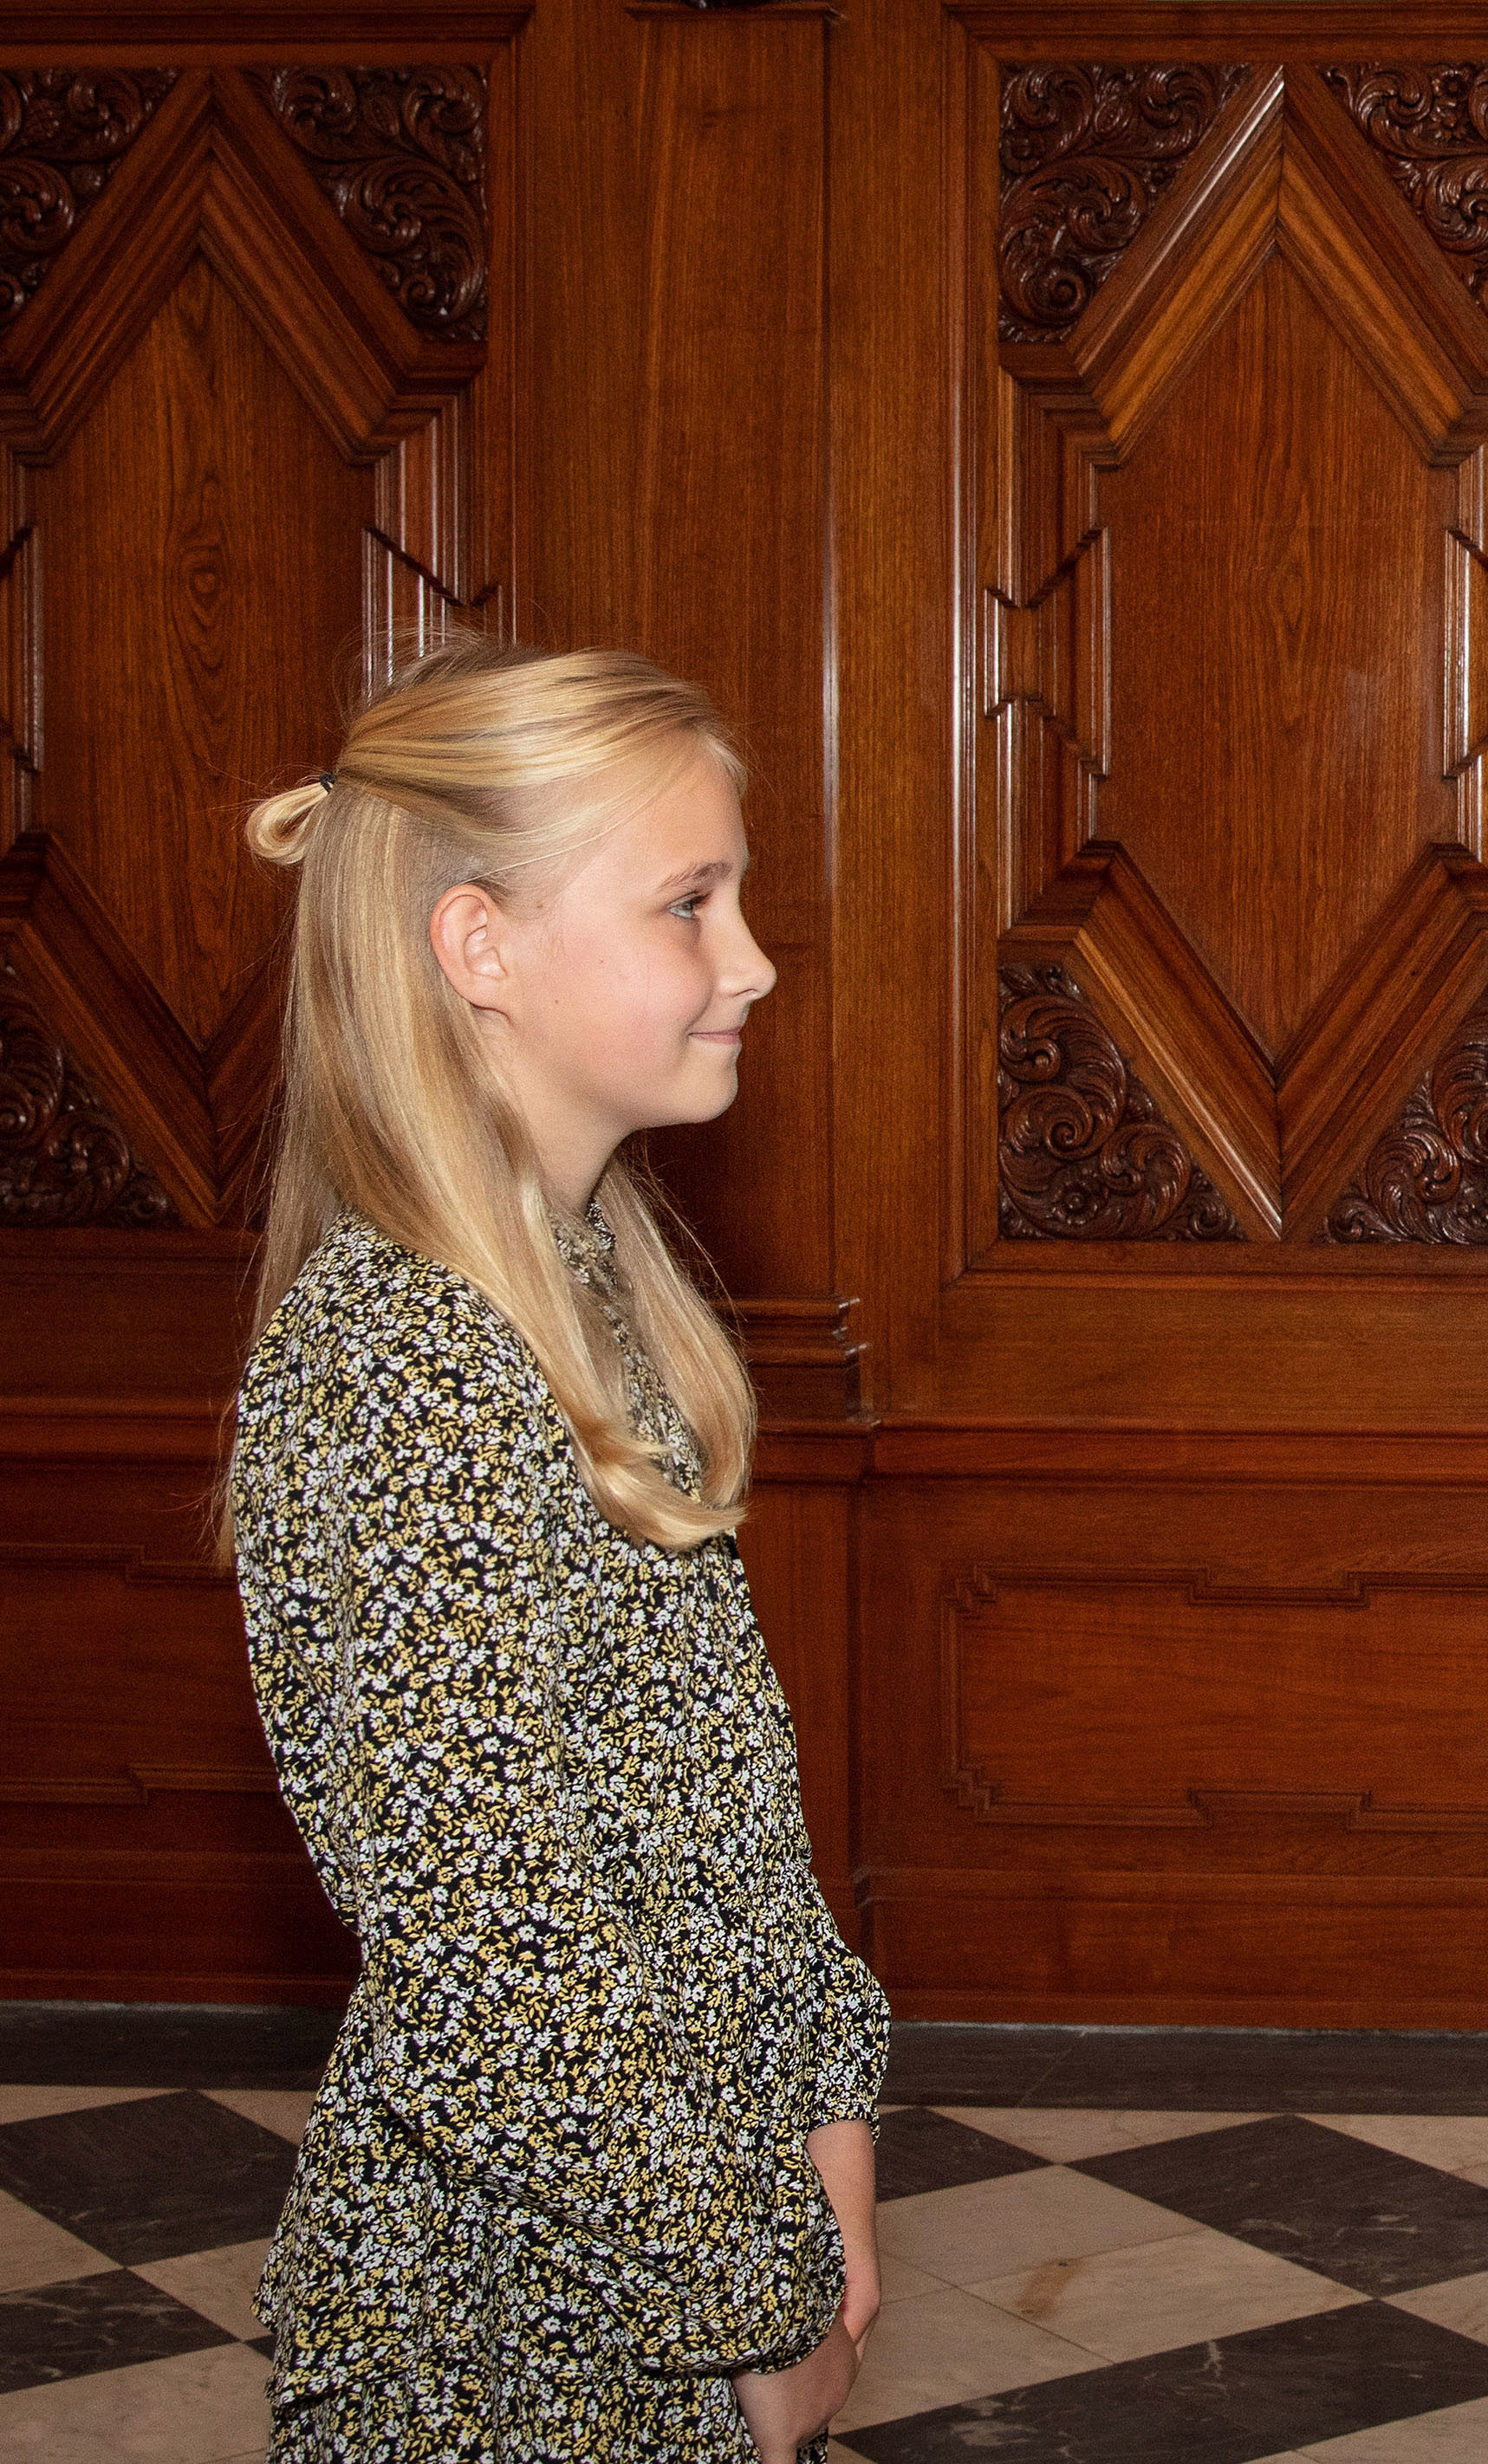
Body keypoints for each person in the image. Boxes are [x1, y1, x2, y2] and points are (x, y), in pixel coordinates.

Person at [224, 641, 889, 2463]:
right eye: (690, 903)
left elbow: (720, 1820)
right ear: (479, 949)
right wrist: (756, 2303)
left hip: (687, 2249)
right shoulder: (404, 1373)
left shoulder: (587, 1297)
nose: (749, 958)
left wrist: (829, 2131)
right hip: (516, 2337)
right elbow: (509, 1974)